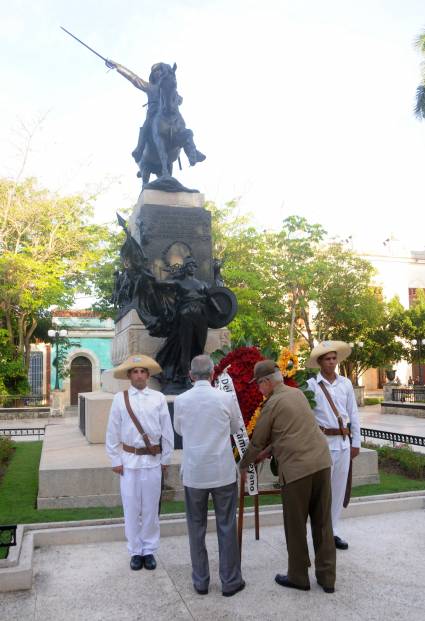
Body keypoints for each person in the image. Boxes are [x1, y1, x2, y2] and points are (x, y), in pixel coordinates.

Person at [239, 360, 336, 594]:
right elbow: (292, 429)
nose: (258, 389)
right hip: (322, 463)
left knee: (295, 526)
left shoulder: (272, 404)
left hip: (297, 471)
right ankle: (327, 579)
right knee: (323, 525)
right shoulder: (297, 394)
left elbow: (257, 441)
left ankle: (298, 577)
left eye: (258, 385)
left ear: (267, 382)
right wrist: (270, 450)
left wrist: (242, 465)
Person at [173, 354, 245, 597]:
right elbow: (236, 428)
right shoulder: (225, 398)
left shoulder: (182, 400)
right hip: (222, 470)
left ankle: (201, 581)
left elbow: (179, 430)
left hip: (195, 471)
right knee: (226, 525)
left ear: (191, 375)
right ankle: (230, 580)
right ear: (213, 373)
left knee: (196, 527)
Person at [105, 354, 174, 571]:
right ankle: (135, 550)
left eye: (143, 371)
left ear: (148, 375)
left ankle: (149, 550)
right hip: (129, 461)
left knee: (151, 509)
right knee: (132, 508)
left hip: (152, 461)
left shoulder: (158, 398)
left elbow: (167, 432)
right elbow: (112, 431)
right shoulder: (120, 399)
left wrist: (166, 458)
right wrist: (115, 459)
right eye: (135, 371)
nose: (139, 375)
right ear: (129, 375)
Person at [306, 341, 361, 550]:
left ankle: (334, 530)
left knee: (338, 490)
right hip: (323, 444)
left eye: (334, 358)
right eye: (327, 359)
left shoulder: (345, 384)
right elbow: (309, 417)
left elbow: (353, 414)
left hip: (344, 443)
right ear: (320, 362)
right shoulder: (312, 386)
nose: (332, 362)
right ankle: (320, 531)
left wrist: (356, 442)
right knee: (322, 491)